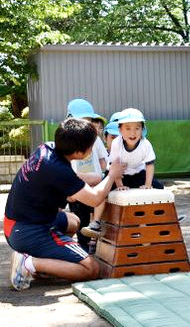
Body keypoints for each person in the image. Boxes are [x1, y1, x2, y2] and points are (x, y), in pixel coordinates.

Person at [4, 118, 125, 290]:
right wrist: (112, 174)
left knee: (73, 221)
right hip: (27, 231)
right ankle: (29, 263)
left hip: (17, 224)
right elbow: (95, 198)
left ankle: (45, 264)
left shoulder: (47, 148)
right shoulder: (59, 170)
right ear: (79, 152)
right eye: (91, 146)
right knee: (91, 269)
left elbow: (61, 187)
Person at [82, 108, 164, 238]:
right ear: (120, 130)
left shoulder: (146, 144)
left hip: (138, 174)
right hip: (117, 174)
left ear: (142, 129)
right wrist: (119, 185)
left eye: (137, 128)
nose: (133, 132)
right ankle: (96, 223)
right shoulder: (116, 143)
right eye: (128, 128)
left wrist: (148, 184)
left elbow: (149, 165)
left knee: (159, 187)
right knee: (102, 192)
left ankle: (163, 220)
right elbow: (115, 166)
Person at [66, 99, 108, 251]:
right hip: (78, 188)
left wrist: (104, 173)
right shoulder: (67, 141)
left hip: (95, 184)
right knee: (81, 218)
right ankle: (84, 248)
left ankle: (96, 244)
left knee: (100, 215)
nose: (87, 124)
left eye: (89, 121)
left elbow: (103, 160)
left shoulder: (95, 139)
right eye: (83, 120)